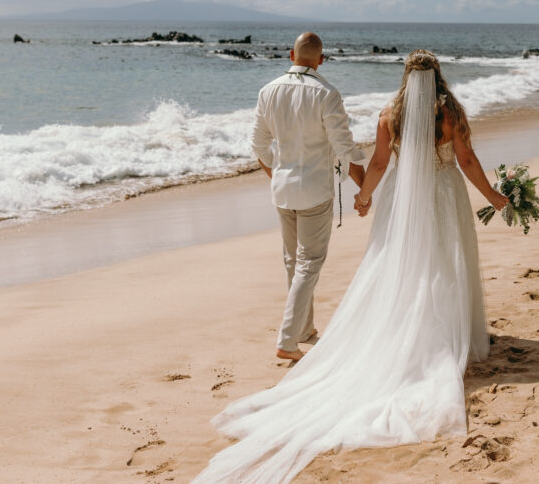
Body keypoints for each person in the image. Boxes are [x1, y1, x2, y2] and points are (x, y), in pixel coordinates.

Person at [195, 49, 509, 483]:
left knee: (397, 263)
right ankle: (440, 331)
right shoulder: (450, 111)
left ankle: (406, 325)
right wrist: (492, 195)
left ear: (406, 77)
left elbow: (379, 163)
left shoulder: (390, 114)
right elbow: (467, 160)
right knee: (443, 263)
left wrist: (365, 197)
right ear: (437, 75)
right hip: (443, 192)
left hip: (401, 197)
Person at [250, 32, 367, 363]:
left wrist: (276, 175)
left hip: (282, 190)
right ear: (320, 60)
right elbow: (345, 149)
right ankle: (288, 339)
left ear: (291, 55)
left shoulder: (267, 91)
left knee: (293, 262)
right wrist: (363, 187)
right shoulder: (326, 93)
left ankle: (304, 330)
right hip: (314, 190)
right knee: (309, 263)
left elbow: (259, 145)